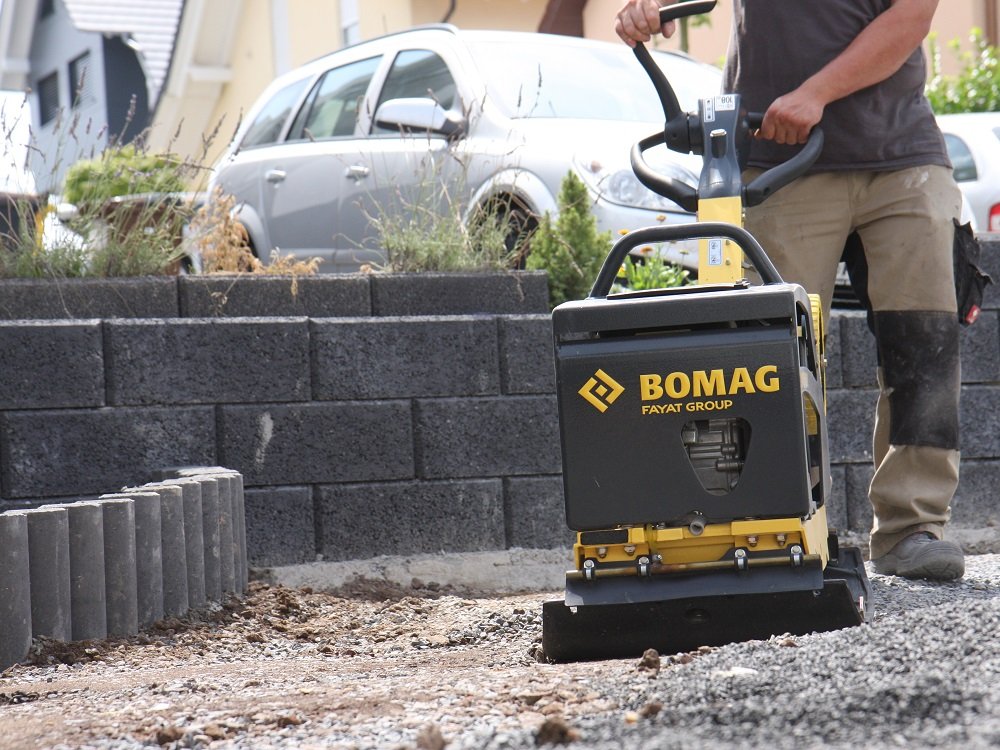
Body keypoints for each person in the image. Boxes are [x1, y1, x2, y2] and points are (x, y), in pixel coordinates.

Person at [615, 0, 965, 581]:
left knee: (923, 342)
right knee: (769, 354)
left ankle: (912, 527)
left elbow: (911, 17)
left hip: (900, 155)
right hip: (778, 160)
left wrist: (815, 94)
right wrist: (648, 7)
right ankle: (781, 526)